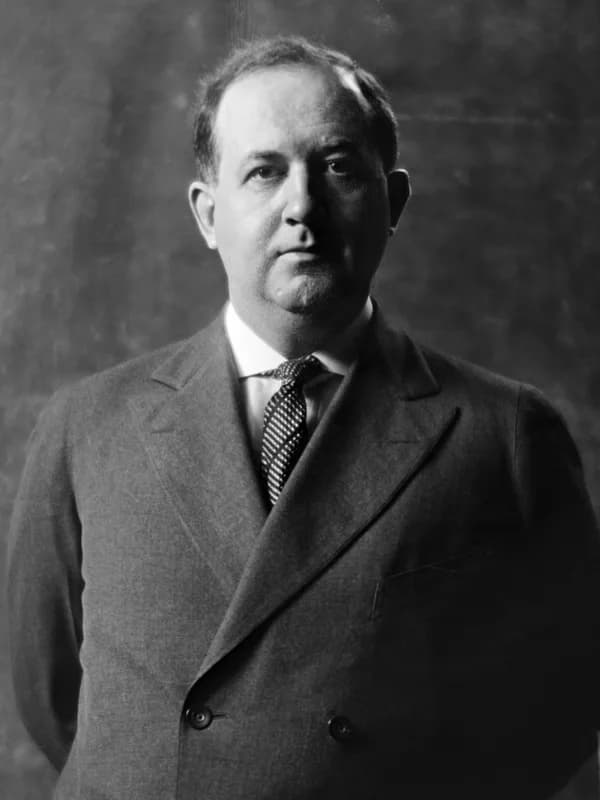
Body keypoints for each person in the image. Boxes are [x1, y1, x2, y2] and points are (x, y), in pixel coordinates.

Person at [7, 35, 600, 800]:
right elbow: (51, 694)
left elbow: (562, 708)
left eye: (339, 167)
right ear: (208, 214)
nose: (302, 207)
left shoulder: (506, 434)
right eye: (264, 172)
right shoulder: (86, 426)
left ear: (393, 203)